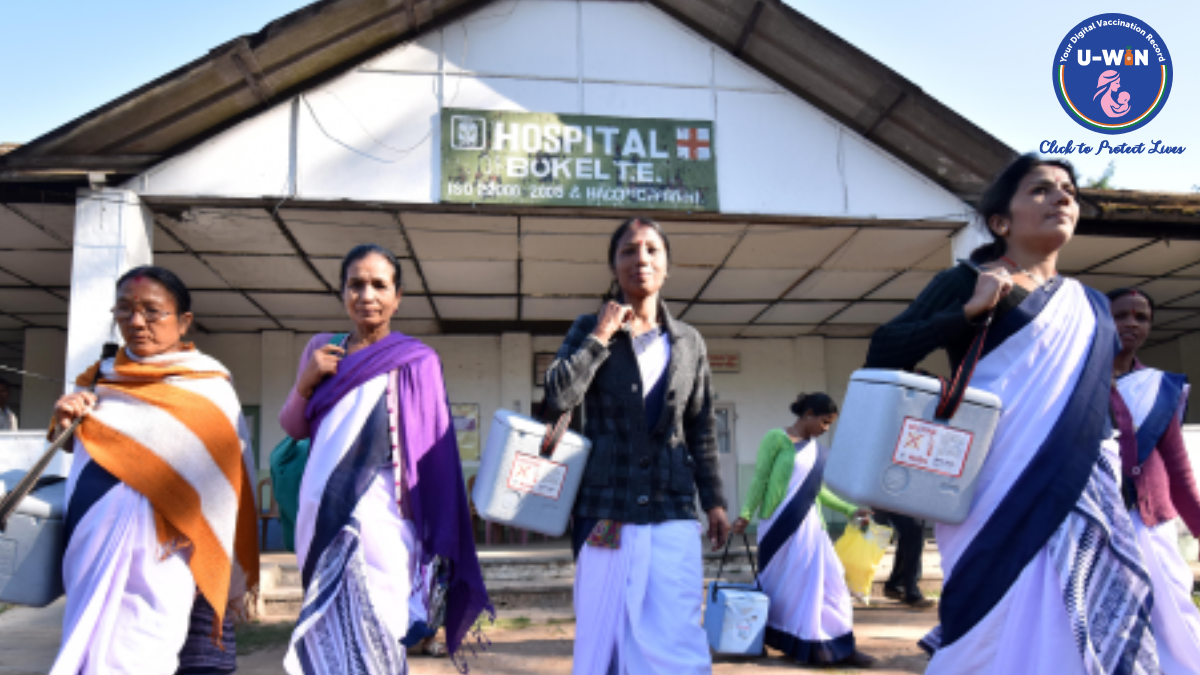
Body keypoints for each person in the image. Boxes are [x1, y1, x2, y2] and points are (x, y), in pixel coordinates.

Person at [866, 153, 1158, 674]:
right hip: (990, 490)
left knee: (1080, 627)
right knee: (987, 626)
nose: (1063, 198)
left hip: (1081, 493)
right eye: (1041, 190)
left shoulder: (1091, 308)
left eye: (1068, 190)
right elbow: (885, 351)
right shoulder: (968, 280)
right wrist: (969, 311)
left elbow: (1097, 410)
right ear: (1001, 221)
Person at [279, 244, 489, 674]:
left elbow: (435, 455)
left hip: (386, 518)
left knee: (381, 626)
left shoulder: (418, 361)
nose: (367, 295)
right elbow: (294, 427)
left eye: (379, 285)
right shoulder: (323, 349)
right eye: (355, 284)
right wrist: (306, 382)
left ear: (398, 296)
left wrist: (434, 532)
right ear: (342, 293)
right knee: (326, 631)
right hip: (320, 513)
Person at [49, 265, 259, 675]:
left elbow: (228, 480)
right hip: (92, 543)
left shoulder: (210, 388)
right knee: (86, 647)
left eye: (152, 311)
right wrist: (63, 417)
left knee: (142, 651)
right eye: (124, 310)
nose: (137, 322)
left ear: (183, 322)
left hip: (165, 553)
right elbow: (79, 449)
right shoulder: (97, 381)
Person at [544, 217, 729, 675]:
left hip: (671, 505)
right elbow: (558, 395)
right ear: (613, 265)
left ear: (666, 266)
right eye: (628, 250)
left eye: (651, 250)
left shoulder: (689, 343)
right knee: (603, 634)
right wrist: (600, 338)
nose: (640, 259)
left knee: (677, 630)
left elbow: (701, 426)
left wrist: (716, 503)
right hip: (605, 506)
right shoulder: (589, 326)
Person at [731, 393, 876, 667]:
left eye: (830, 424)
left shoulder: (817, 450)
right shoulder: (777, 438)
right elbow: (760, 478)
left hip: (811, 526)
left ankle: (840, 643)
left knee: (831, 582)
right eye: (824, 422)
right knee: (784, 588)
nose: (826, 429)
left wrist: (849, 509)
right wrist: (745, 514)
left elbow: (817, 491)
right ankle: (777, 640)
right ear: (808, 414)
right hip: (779, 526)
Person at [1110, 287, 1200, 673]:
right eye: (1121, 315)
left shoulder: (1161, 388)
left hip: (1150, 519)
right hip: (1091, 519)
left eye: (1141, 317)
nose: (1131, 323)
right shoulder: (1071, 380)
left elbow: (1178, 467)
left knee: (1171, 611)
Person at [874, 510, 932, 609]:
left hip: (908, 499)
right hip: (892, 498)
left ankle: (897, 583)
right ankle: (911, 592)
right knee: (913, 527)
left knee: (911, 531)